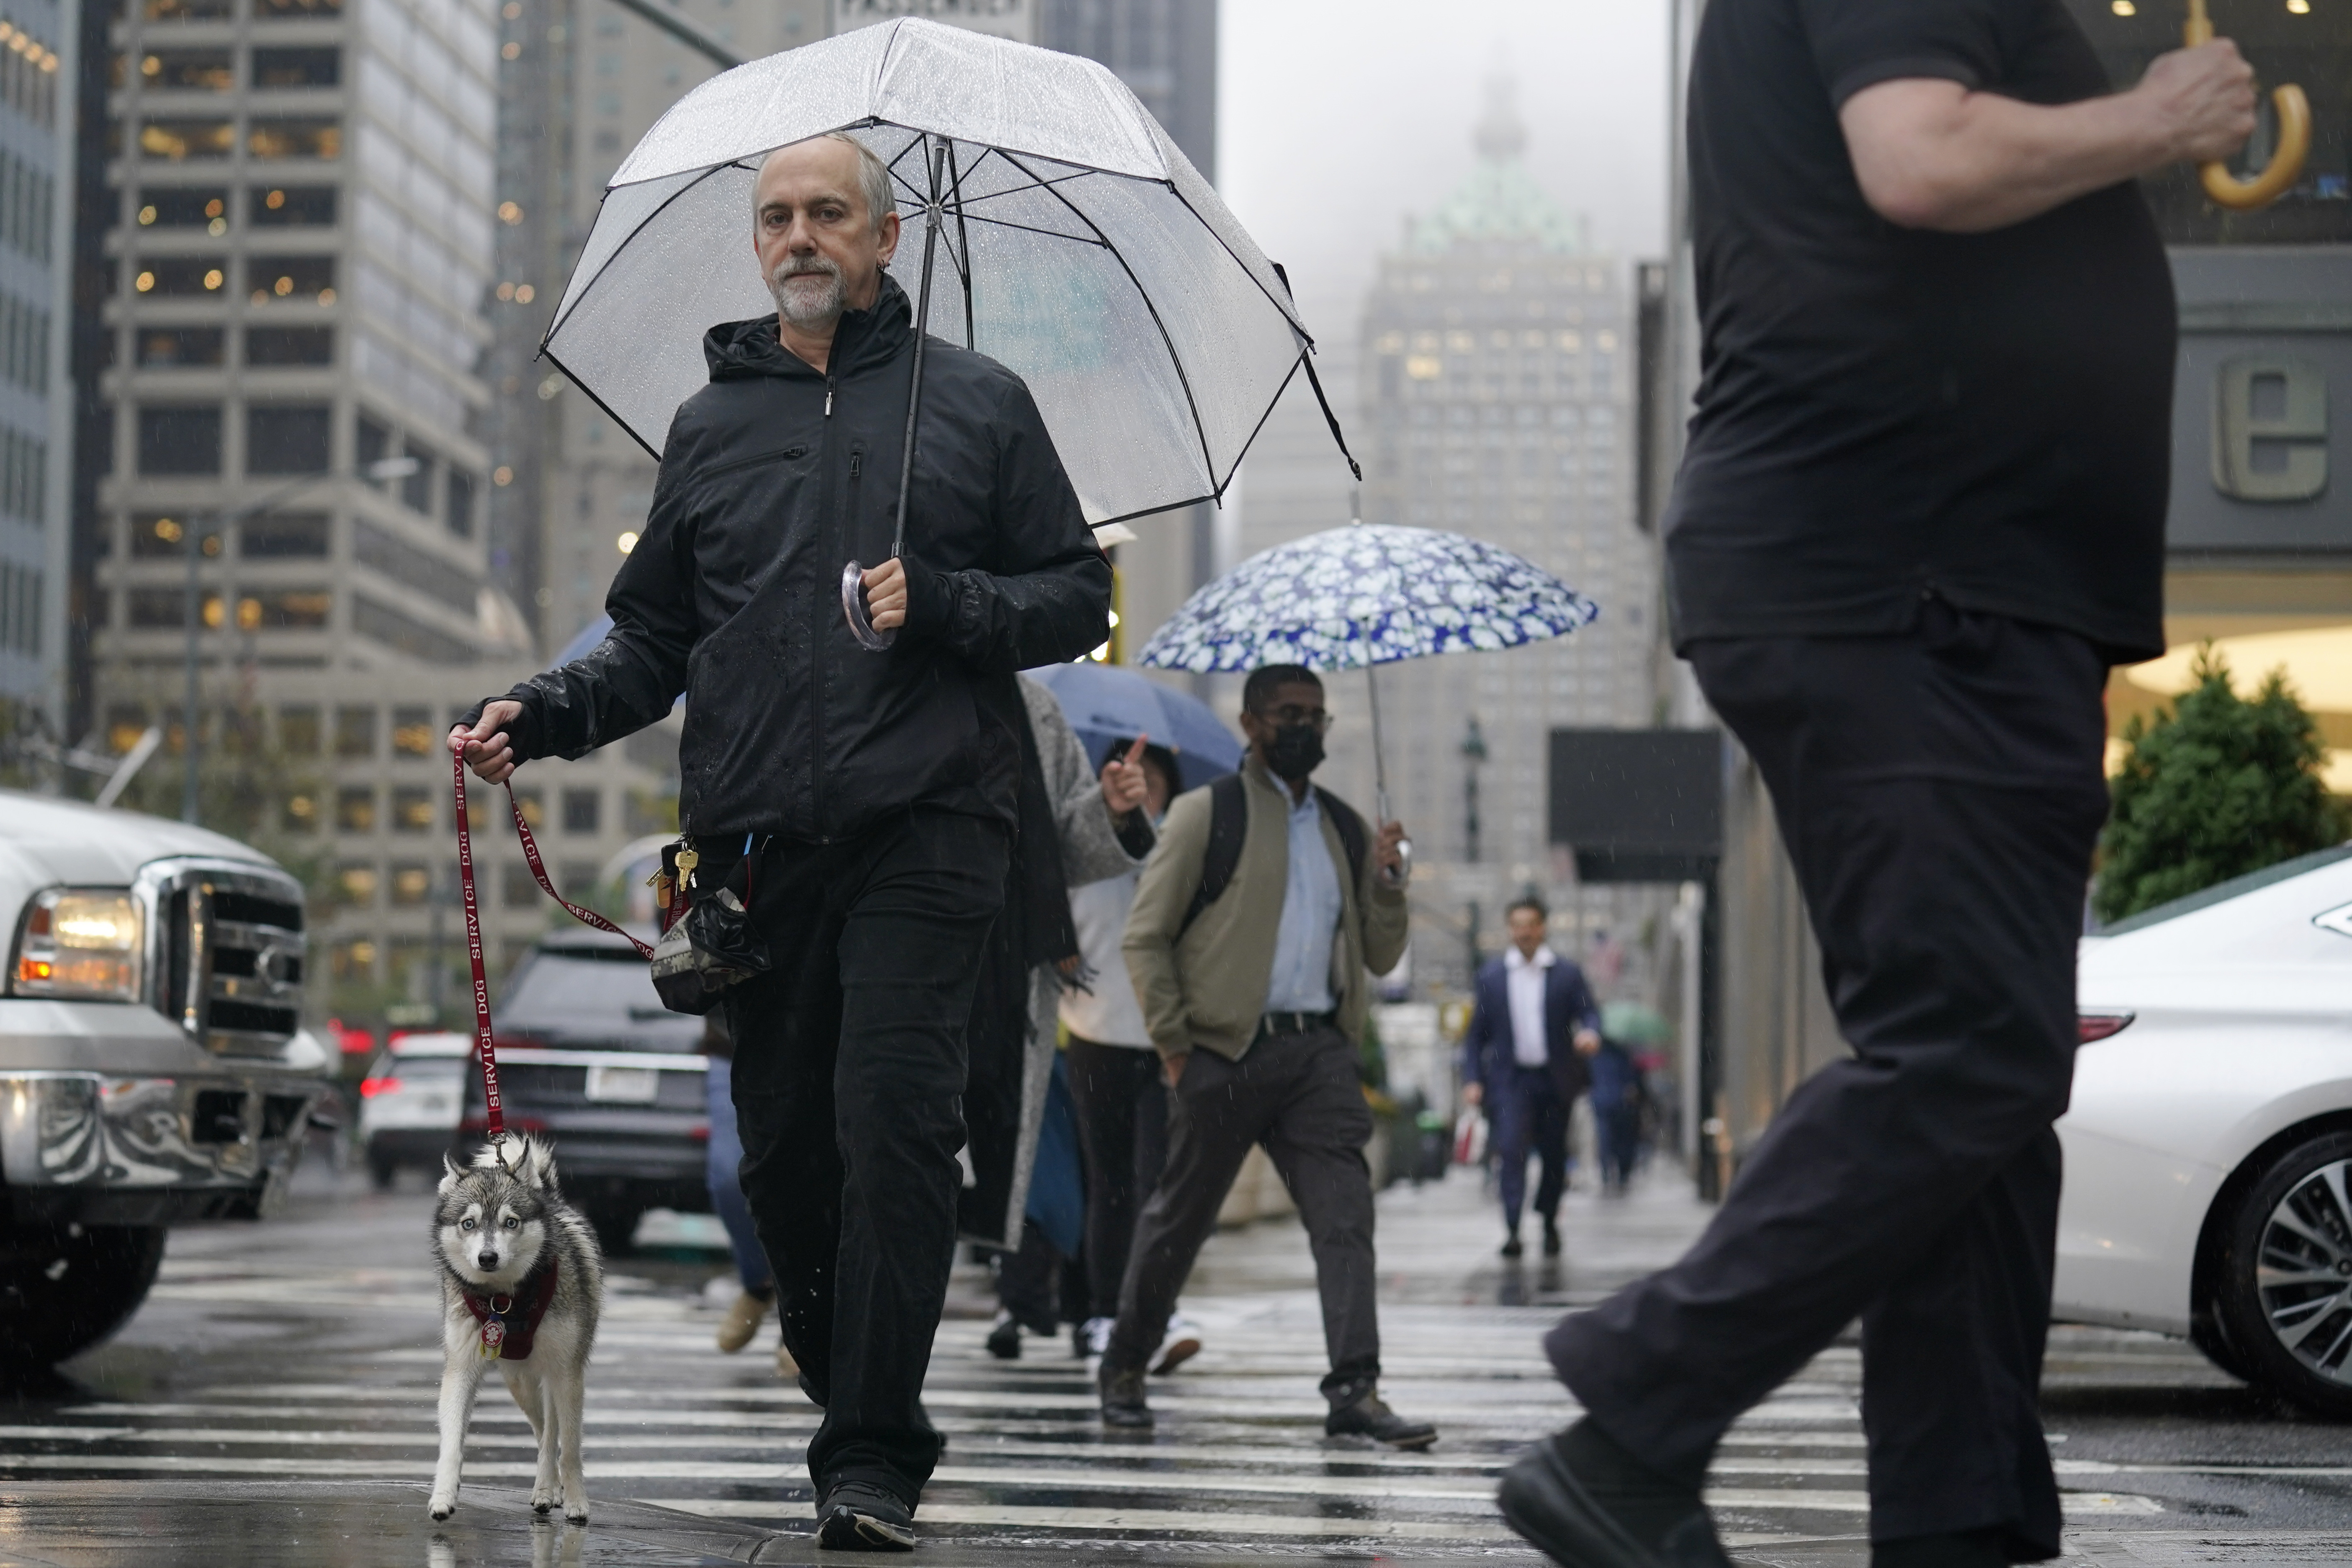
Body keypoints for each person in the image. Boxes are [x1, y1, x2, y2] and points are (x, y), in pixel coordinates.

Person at [1496, 3, 2256, 1565]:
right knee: (1969, 1053)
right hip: (1902, 578)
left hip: (1947, 586)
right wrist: (2157, 118)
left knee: (1977, 1075)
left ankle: (1958, 1516)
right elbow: (1917, 161)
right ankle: (1633, 1415)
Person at [451, 131, 1109, 1552]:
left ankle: (869, 1453)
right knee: (785, 1161)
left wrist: (940, 599)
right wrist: (544, 710)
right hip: (749, 849)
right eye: (775, 218)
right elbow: (652, 639)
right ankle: (844, 1371)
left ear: (882, 242)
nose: (798, 235)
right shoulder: (707, 425)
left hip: (930, 830)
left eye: (827, 214)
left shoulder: (980, 406)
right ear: (757, 247)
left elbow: (1070, 594)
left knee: (893, 1132)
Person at [1099, 664, 1433, 1449]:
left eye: (1315, 715)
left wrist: (1389, 885)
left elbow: (1380, 958)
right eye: (1287, 713)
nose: (1303, 728)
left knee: (1344, 1219)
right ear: (1250, 723)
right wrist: (1177, 1048)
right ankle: (1123, 1365)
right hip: (1222, 1052)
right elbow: (1145, 935)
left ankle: (1355, 1387)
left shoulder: (1345, 828)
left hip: (1317, 1054)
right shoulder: (1202, 815)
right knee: (1177, 1220)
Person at [982, 681, 1159, 1360]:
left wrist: (1114, 815)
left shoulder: (1034, 714)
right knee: (1051, 1187)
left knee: (1076, 1188)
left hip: (1071, 1031)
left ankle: (1086, 1308)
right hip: (1052, 1027)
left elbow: (1071, 852)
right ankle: (1038, 1306)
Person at [1059, 738, 1205, 1370]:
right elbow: (1045, 894)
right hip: (1093, 1030)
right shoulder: (1079, 833)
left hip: (1168, 1035)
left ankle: (1154, 1311)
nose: (1138, 784)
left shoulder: (1187, 841)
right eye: (1125, 773)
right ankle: (1099, 1315)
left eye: (1151, 775)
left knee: (1160, 1185)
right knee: (1109, 1183)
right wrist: (1054, 943)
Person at [1459, 898, 1603, 1257]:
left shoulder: (1567, 973)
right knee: (1510, 1150)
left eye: (1531, 924)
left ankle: (1549, 1219)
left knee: (1554, 1154)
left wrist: (1589, 1033)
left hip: (1554, 1079)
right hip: (1510, 1081)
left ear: (1543, 928)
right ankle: (1512, 1227)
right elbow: (1476, 1034)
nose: (1524, 931)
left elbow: (1589, 1013)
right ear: (1510, 929)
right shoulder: (1491, 977)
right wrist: (1473, 1078)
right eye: (1518, 925)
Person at [700, 1012, 795, 1375]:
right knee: (729, 1176)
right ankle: (760, 1281)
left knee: (807, 1175)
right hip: (733, 1034)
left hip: (819, 1033)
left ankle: (801, 1311)